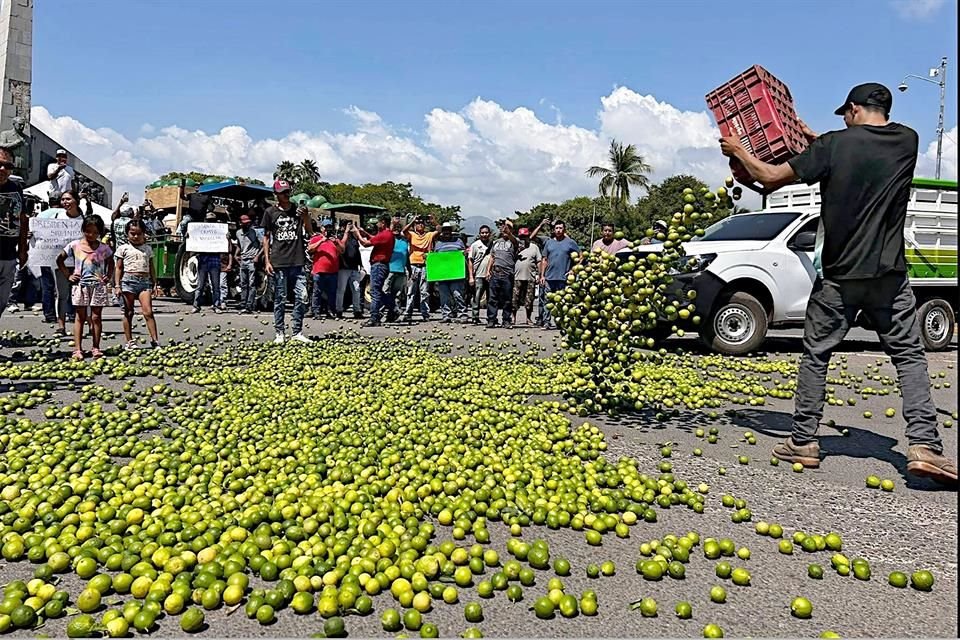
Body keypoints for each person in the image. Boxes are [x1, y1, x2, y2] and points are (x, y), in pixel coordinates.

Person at [719, 82, 956, 485]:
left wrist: (739, 150)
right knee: (909, 358)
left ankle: (803, 441)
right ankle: (924, 446)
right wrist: (818, 141)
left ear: (851, 109)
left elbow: (771, 177)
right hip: (889, 276)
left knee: (816, 355)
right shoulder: (906, 141)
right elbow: (857, 148)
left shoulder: (832, 147)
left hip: (840, 278)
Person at [262, 179, 311, 343]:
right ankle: (280, 333)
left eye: (288, 191)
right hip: (279, 261)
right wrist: (267, 261)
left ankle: (297, 332)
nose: (286, 194)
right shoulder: (270, 213)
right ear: (276, 194)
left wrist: (305, 217)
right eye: (283, 192)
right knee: (280, 298)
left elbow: (310, 231)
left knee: (302, 297)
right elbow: (266, 238)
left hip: (298, 261)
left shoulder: (298, 210)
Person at [57, 215, 112, 360]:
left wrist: (108, 275)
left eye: (95, 232)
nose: (91, 235)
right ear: (83, 230)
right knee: (80, 317)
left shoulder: (103, 248)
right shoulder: (75, 245)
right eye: (88, 231)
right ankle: (77, 349)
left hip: (98, 286)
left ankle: (96, 347)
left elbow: (111, 261)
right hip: (80, 285)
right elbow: (60, 259)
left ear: (100, 233)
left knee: (96, 317)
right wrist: (68, 275)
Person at [36, 190, 84, 336]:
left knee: (80, 295)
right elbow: (44, 234)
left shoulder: (83, 219)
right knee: (62, 294)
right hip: (60, 262)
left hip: (79, 263)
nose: (65, 202)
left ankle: (80, 324)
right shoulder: (56, 217)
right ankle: (61, 326)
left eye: (68, 199)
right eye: (63, 199)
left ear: (76, 200)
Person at [114, 219, 160, 349]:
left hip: (144, 283)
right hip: (128, 281)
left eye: (138, 234)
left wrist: (155, 283)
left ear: (144, 233)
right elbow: (118, 268)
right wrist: (117, 285)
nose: (135, 236)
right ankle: (130, 341)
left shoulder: (147, 249)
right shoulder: (123, 248)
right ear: (127, 234)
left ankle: (155, 340)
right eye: (132, 233)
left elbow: (151, 267)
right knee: (128, 312)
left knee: (148, 312)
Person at [0, 146, 28, 319]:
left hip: (9, 254)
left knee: (3, 299)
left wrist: (23, 248)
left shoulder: (16, 187)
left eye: (8, 166)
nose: (3, 169)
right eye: (0, 164)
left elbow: (23, 219)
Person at [355, 214, 395, 328]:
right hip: (382, 265)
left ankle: (374, 317)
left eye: (378, 222)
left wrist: (356, 233)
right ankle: (393, 308)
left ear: (383, 223)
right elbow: (374, 239)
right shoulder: (387, 235)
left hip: (378, 265)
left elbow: (365, 243)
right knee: (378, 291)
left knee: (374, 292)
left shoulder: (384, 234)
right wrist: (365, 233)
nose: (377, 225)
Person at [539, 220, 580, 329]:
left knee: (562, 302)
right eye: (556, 228)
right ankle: (546, 322)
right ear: (553, 230)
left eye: (560, 228)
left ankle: (561, 322)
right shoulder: (549, 243)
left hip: (563, 278)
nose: (558, 230)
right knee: (547, 301)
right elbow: (544, 259)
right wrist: (542, 275)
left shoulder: (570, 242)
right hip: (549, 277)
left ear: (564, 229)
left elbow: (581, 257)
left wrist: (573, 270)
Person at [402, 214, 439, 322]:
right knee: (411, 291)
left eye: (422, 223)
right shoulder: (412, 235)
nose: (420, 225)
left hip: (425, 266)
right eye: (418, 223)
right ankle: (408, 313)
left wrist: (433, 221)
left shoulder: (429, 235)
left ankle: (425, 314)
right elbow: (404, 231)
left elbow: (439, 230)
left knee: (424, 292)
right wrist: (412, 221)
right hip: (413, 265)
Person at [432, 222, 469, 323]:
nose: (446, 232)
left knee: (458, 294)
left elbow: (464, 254)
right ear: (442, 232)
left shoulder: (459, 241)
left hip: (456, 274)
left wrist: (465, 253)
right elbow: (435, 258)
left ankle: (462, 314)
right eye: (444, 230)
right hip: (443, 275)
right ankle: (446, 315)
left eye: (448, 229)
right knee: (444, 296)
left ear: (451, 231)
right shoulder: (438, 244)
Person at [188, 212, 223, 314]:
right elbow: (192, 245)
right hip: (203, 261)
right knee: (200, 286)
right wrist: (189, 237)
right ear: (205, 221)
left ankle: (216, 305)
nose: (210, 222)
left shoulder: (219, 232)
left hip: (214, 261)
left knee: (216, 286)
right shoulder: (200, 231)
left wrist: (226, 238)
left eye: (212, 221)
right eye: (209, 220)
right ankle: (196, 306)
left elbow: (227, 248)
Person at [485, 220, 519, 328]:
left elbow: (515, 241)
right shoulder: (496, 242)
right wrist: (488, 271)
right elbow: (492, 257)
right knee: (492, 298)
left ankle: (506, 320)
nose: (505, 229)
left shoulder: (514, 241)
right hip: (495, 272)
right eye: (504, 227)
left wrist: (509, 233)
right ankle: (491, 319)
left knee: (507, 299)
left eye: (508, 227)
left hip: (507, 273)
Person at [307, 219, 341, 319]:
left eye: (330, 227)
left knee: (332, 293)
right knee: (317, 292)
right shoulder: (316, 238)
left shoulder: (334, 239)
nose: (328, 229)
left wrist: (336, 242)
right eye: (326, 227)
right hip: (319, 270)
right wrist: (322, 240)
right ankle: (316, 311)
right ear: (322, 228)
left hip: (333, 271)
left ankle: (331, 311)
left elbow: (342, 250)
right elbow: (310, 249)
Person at [336, 220, 364, 319]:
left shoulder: (353, 239)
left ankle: (357, 310)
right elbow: (341, 248)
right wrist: (346, 232)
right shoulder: (340, 237)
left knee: (356, 289)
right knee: (341, 290)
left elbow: (357, 251)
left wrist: (361, 264)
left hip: (354, 268)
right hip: (343, 267)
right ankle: (338, 310)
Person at [235, 213, 261, 314]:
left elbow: (262, 245)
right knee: (243, 283)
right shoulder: (238, 233)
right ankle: (243, 303)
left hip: (251, 260)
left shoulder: (254, 232)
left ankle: (250, 305)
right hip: (243, 260)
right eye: (244, 223)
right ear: (240, 223)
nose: (247, 225)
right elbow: (239, 244)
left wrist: (257, 256)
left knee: (252, 283)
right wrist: (236, 254)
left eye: (248, 223)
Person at [384, 221, 409, 322]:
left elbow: (406, 256)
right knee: (385, 292)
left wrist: (409, 269)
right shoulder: (388, 240)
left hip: (401, 270)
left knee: (397, 294)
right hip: (389, 269)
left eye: (398, 228)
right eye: (395, 228)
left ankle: (392, 315)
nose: (396, 230)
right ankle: (381, 312)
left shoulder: (404, 241)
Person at [468, 225, 493, 324]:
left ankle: (491, 318)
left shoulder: (493, 245)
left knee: (491, 298)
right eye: (482, 233)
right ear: (479, 234)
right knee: (477, 297)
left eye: (486, 232)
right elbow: (470, 260)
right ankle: (475, 317)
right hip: (478, 275)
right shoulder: (475, 245)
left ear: (489, 234)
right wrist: (471, 276)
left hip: (490, 275)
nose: (484, 234)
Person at [218, 237, 233, 311]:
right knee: (213, 285)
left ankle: (223, 300)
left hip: (223, 265)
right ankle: (216, 301)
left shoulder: (226, 239)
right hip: (212, 265)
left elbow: (230, 252)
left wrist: (230, 264)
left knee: (222, 284)